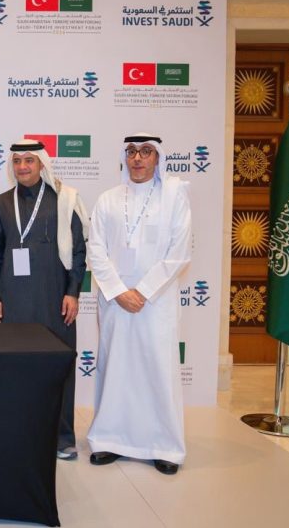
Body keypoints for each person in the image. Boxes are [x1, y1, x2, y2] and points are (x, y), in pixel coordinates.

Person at [86, 132, 192, 475]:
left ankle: (164, 446)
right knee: (116, 368)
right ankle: (109, 439)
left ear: (157, 158)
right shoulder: (108, 199)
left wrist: (143, 291)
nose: (138, 158)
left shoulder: (174, 198)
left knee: (156, 369)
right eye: (132, 151)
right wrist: (119, 291)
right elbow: (96, 250)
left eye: (146, 152)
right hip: (115, 301)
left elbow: (179, 253)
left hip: (156, 302)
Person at [0, 139, 88, 461]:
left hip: (54, 298)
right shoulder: (2, 203)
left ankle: (62, 437)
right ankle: (17, 434)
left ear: (41, 163)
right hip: (13, 299)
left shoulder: (64, 199)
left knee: (58, 366)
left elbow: (78, 251)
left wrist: (73, 291)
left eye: (29, 160)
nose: (22, 167)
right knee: (15, 367)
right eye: (17, 161)